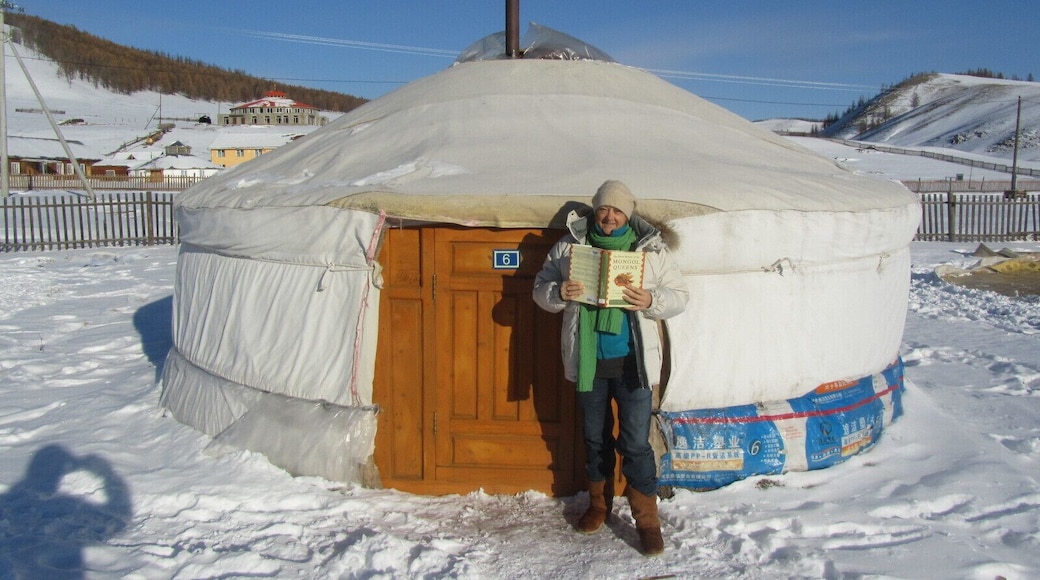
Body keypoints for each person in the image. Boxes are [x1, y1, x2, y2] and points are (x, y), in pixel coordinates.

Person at [533, 179, 689, 556]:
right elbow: (541, 287)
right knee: (594, 438)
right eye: (604, 209)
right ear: (595, 210)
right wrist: (559, 293)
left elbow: (680, 296)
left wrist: (650, 298)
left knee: (635, 442)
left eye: (617, 210)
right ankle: (599, 506)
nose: (609, 216)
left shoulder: (650, 251)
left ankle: (647, 520)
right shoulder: (570, 246)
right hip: (589, 360)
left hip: (633, 363)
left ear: (628, 214)